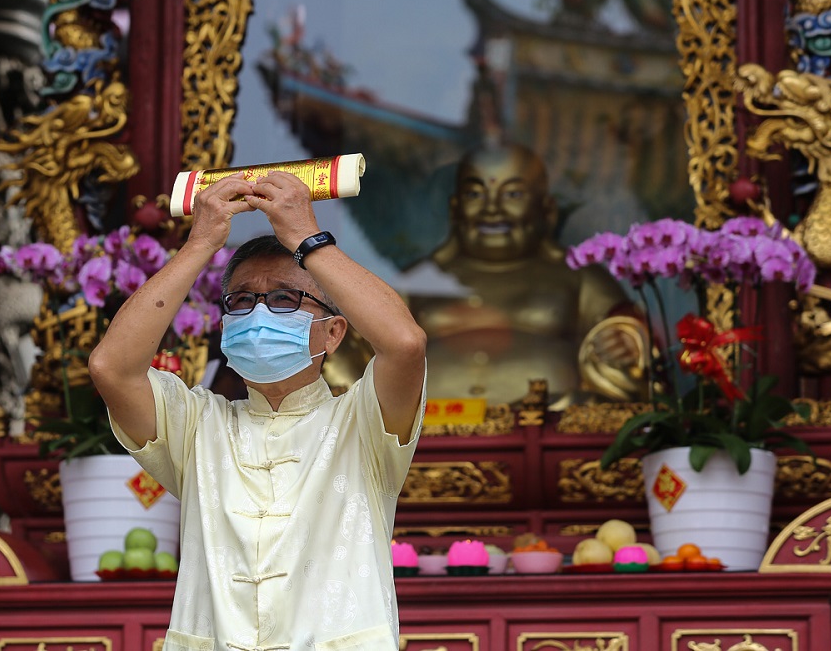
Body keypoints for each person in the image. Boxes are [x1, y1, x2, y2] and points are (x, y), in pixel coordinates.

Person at [88, 171, 427, 651]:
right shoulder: (198, 428)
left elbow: (405, 342)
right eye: (242, 301)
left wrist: (305, 237)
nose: (259, 315)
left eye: (286, 299)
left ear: (333, 333)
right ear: (224, 327)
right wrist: (200, 244)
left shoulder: (362, 424)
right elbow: (111, 367)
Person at [407, 143, 647, 409]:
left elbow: (628, 331)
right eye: (475, 194)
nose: (492, 208)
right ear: (455, 209)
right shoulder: (415, 280)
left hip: (553, 426)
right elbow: (367, 349)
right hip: (426, 431)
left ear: (547, 210)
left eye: (512, 194)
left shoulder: (579, 276)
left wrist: (621, 343)